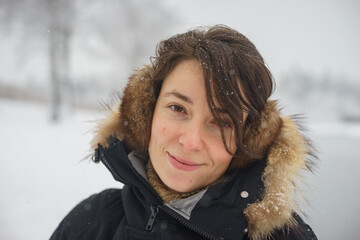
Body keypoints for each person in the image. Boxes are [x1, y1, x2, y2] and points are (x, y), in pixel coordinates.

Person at [51, 25, 317, 240]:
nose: (190, 142)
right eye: (178, 108)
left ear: (249, 140)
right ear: (147, 114)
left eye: (223, 123)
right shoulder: (91, 224)